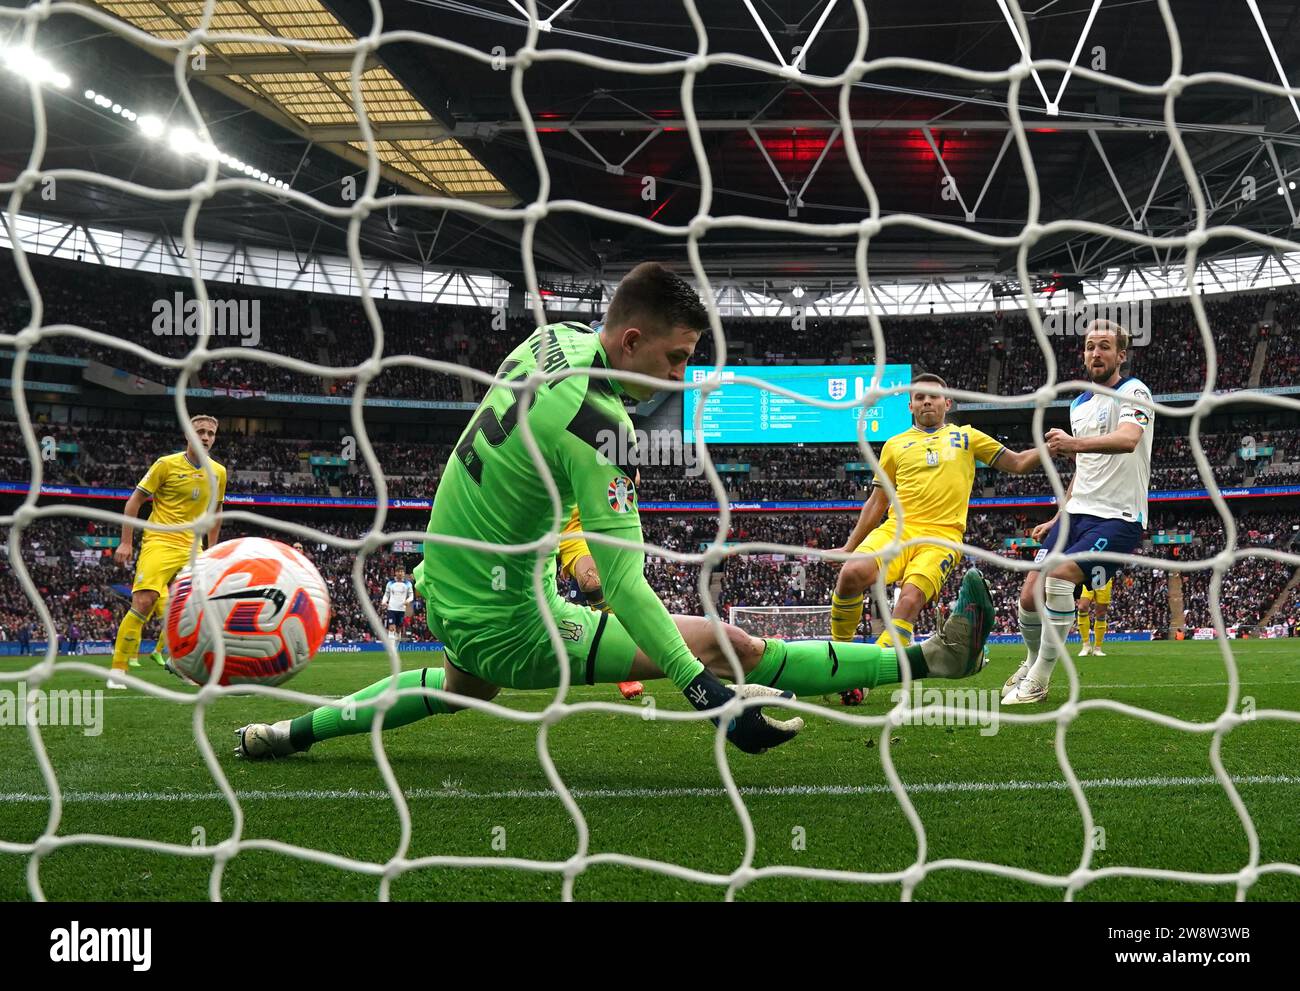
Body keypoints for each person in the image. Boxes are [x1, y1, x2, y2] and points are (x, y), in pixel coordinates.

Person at [237, 263, 995, 760]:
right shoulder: (602, 421)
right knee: (727, 642)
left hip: (446, 582)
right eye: (674, 359)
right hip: (511, 623)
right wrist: (706, 697)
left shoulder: (551, 339)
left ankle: (288, 731)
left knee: (454, 687)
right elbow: (629, 589)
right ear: (631, 340)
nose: (681, 375)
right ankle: (930, 657)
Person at [830, 373, 1043, 705]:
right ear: (910, 405)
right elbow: (877, 502)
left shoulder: (967, 437)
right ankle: (837, 664)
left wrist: (1051, 448)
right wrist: (849, 546)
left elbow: (1015, 463)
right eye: (919, 397)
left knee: (910, 600)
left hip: (942, 537)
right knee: (850, 574)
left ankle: (863, 678)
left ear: (948, 403)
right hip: (897, 530)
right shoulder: (893, 445)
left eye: (933, 396)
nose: (926, 401)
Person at [1003, 320, 1153, 704]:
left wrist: (1075, 443)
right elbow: (1083, 469)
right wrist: (1057, 516)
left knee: (1059, 576)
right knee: (1028, 596)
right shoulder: (1078, 404)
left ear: (1121, 355)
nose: (1096, 354)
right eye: (1090, 347)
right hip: (1077, 513)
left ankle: (1040, 677)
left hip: (1119, 516)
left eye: (1105, 347)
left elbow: (1127, 440)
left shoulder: (1134, 391)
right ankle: (1031, 659)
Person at [109, 415, 226, 688]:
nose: (205, 437)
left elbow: (216, 512)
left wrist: (213, 550)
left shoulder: (218, 472)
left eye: (210, 433)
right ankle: (118, 668)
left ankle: (180, 662)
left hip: (194, 546)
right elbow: (134, 501)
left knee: (197, 609)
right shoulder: (166, 464)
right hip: (160, 541)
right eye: (200, 431)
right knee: (144, 601)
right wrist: (126, 541)